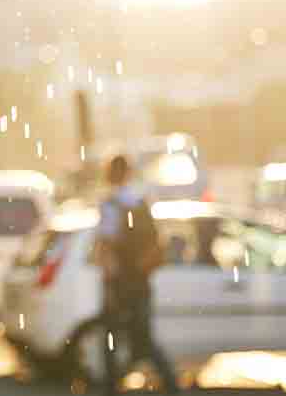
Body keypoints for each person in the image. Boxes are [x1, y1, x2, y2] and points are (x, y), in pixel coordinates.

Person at [94, 155, 177, 395]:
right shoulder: (140, 201)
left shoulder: (111, 204)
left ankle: (112, 386)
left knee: (111, 337)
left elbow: (107, 245)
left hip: (120, 282)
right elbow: (155, 242)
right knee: (143, 337)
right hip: (140, 281)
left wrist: (108, 278)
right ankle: (170, 385)